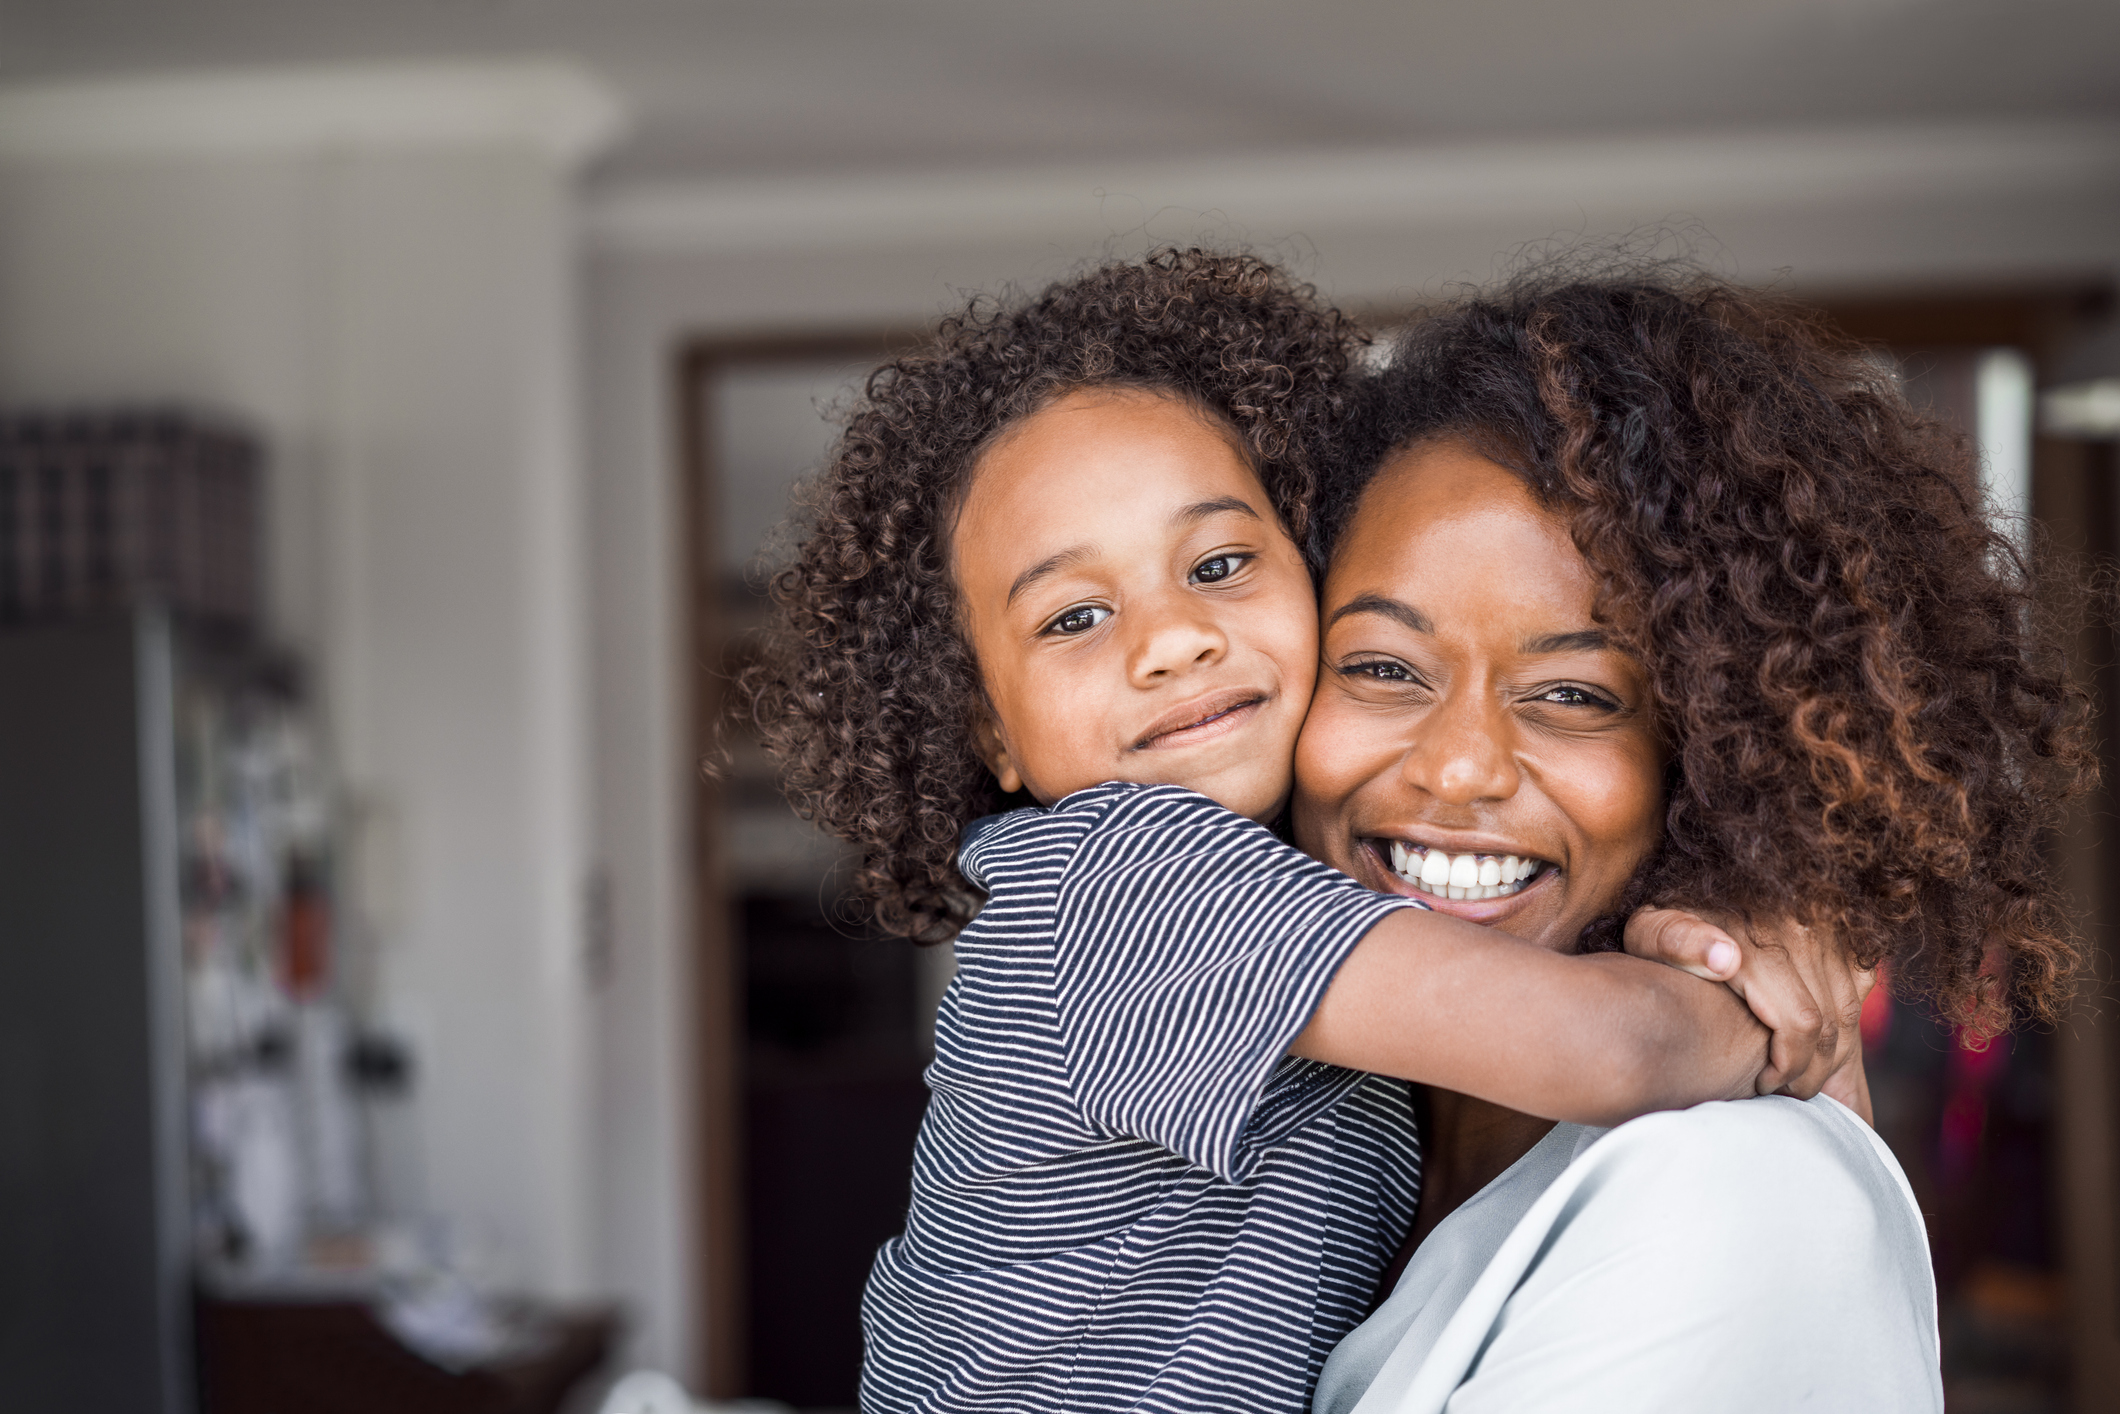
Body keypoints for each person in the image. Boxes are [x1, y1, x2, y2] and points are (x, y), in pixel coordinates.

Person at [735, 249, 1863, 1414]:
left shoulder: (1310, 915)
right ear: (992, 733)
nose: (1170, 640)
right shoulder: (1117, 878)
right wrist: (1764, 999)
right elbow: (1617, 1053)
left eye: (1219, 564)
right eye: (1073, 615)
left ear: (1306, 565)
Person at [1299, 269, 2090, 1413]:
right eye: (1380, 668)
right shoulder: (1318, 1161)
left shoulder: (1740, 1190)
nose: (1457, 765)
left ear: (1715, 756)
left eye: (1572, 694)